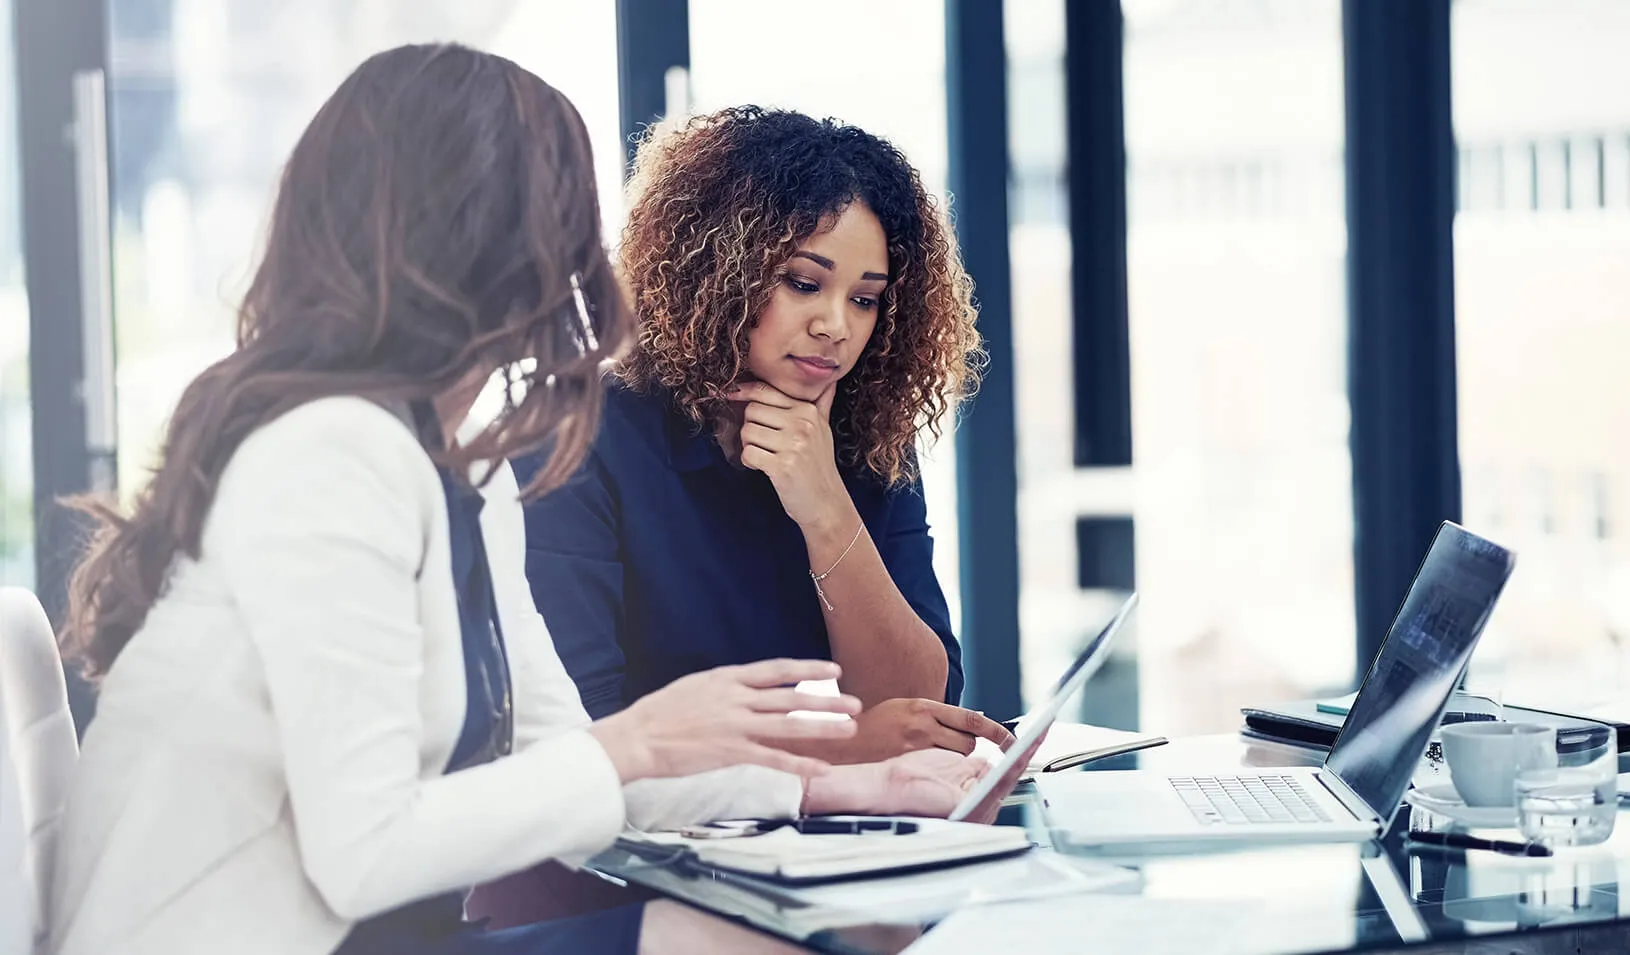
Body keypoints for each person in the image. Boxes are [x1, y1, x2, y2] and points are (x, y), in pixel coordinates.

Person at [47, 47, 995, 955]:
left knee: (839, 933)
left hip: (375, 933)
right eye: (559, 212)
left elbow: (564, 750)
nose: (588, 253)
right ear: (463, 239)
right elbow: (366, 852)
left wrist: (842, 786)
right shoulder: (328, 456)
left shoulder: (464, 466)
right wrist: (642, 740)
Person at [515, 108, 1012, 765]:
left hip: (833, 838)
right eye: (804, 283)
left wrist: (827, 508)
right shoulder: (577, 432)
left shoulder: (865, 436)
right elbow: (585, 730)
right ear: (717, 270)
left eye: (864, 299)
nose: (835, 325)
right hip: (637, 854)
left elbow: (924, 702)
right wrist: (837, 747)